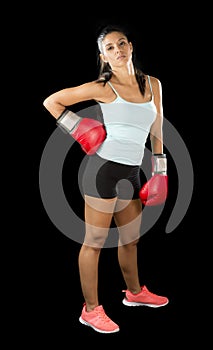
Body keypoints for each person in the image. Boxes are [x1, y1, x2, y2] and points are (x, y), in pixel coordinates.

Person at [43, 24, 169, 334]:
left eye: (121, 43)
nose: (117, 50)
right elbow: (52, 101)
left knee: (131, 239)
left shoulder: (153, 84)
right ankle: (90, 310)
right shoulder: (103, 87)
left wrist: (161, 169)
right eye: (110, 48)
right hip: (102, 170)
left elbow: (157, 126)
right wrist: (76, 127)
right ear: (103, 57)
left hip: (130, 171)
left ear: (131, 47)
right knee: (95, 243)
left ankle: (135, 293)